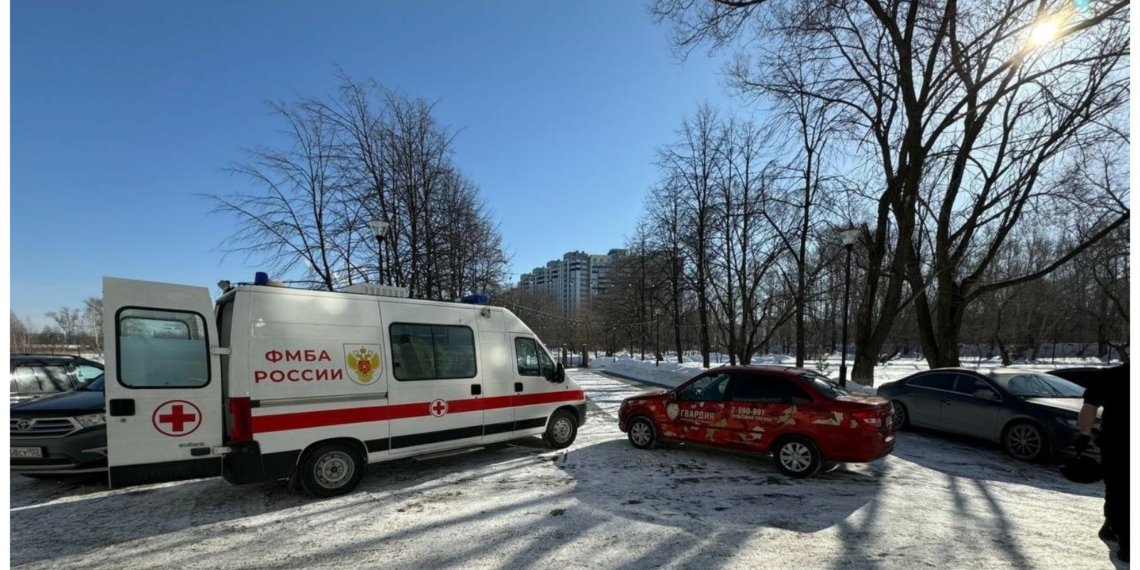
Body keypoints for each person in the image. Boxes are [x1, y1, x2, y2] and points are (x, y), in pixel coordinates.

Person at [1076, 362, 1129, 563]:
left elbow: (1089, 407)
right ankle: (1127, 542)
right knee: (1122, 490)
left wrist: (1084, 434)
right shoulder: (1112, 375)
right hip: (1118, 444)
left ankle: (1112, 526)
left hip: (1115, 444)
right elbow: (1090, 406)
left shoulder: (1111, 375)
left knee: (1117, 488)